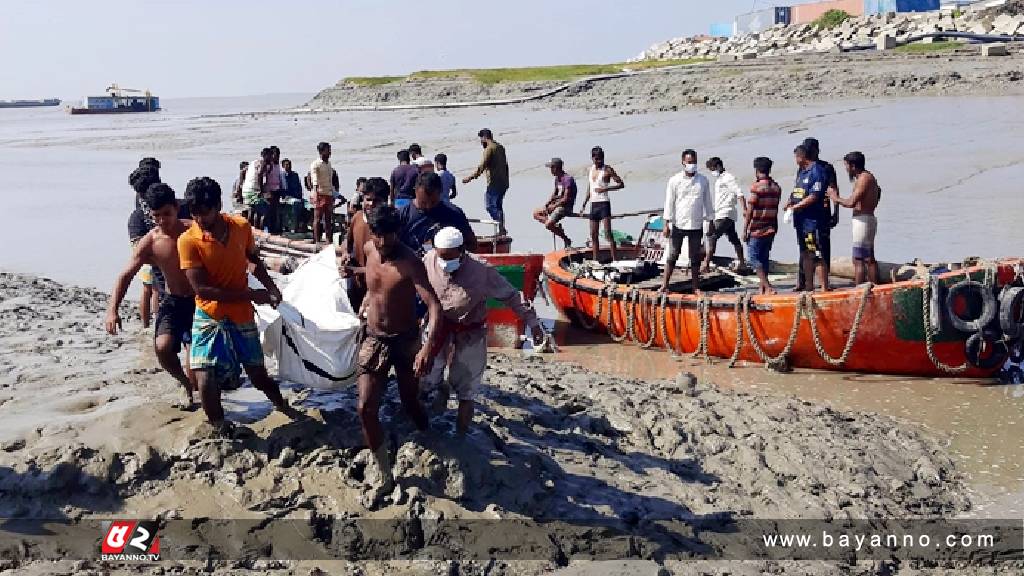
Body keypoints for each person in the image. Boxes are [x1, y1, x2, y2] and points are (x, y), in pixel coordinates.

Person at [176, 176, 289, 430]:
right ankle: (218, 424)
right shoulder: (188, 241)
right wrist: (252, 295)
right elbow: (203, 289)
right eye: (194, 214)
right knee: (204, 377)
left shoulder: (240, 226)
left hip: (241, 314)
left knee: (257, 374)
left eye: (205, 213)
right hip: (209, 314)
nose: (200, 220)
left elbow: (253, 260)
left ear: (218, 206)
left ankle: (281, 404)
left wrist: (271, 288)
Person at [422, 227, 546, 434]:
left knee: (466, 389)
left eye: (449, 257)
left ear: (461, 251)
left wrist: (533, 323)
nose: (444, 262)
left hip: (470, 331)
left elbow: (512, 296)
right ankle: (431, 410)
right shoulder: (428, 261)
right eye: (440, 256)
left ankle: (461, 434)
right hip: (437, 328)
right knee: (425, 378)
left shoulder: (482, 271)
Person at [356, 204, 442, 500]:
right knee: (365, 408)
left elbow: (434, 306)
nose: (383, 243)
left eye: (389, 237)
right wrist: (366, 300)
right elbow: (373, 284)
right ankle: (385, 475)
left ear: (398, 234)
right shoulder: (368, 249)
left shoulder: (410, 262)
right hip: (374, 337)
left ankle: (428, 435)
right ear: (373, 233)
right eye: (379, 236)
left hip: (405, 340)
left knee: (410, 402)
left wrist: (427, 347)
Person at [106, 183, 197, 409]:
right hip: (172, 301)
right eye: (156, 216)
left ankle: (199, 387)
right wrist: (112, 310)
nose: (162, 221)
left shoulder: (193, 231)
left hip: (199, 301)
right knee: (162, 347)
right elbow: (126, 275)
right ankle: (186, 385)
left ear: (176, 208)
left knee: (194, 357)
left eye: (166, 214)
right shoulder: (151, 241)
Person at [660, 149, 712, 294]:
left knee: (694, 256)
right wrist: (666, 223)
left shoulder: (703, 181)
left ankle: (696, 287)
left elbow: (708, 202)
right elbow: (669, 202)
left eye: (694, 162)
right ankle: (665, 285)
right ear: (683, 162)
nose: (692, 165)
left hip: (696, 223)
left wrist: (711, 220)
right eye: (689, 162)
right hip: (679, 223)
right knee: (673, 255)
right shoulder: (675, 180)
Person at [829, 151, 882, 285]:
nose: (846, 169)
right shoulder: (869, 177)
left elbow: (851, 202)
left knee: (858, 259)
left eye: (846, 166)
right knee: (869, 257)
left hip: (863, 220)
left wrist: (834, 197)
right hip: (868, 218)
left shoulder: (864, 178)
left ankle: (860, 290)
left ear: (853, 166)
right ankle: (873, 286)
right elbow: (878, 192)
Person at [399, 172, 478, 255]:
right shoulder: (403, 215)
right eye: (423, 202)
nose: (428, 206)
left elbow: (473, 245)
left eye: (433, 202)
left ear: (440, 192)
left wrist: (450, 250)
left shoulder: (454, 214)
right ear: (415, 191)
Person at [342, 177, 390, 313]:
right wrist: (346, 253)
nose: (371, 204)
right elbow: (347, 241)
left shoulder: (389, 227)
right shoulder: (357, 217)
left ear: (385, 202)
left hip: (378, 288)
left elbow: (388, 267)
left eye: (376, 201)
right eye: (368, 200)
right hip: (357, 282)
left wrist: (357, 270)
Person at [785, 145, 829, 292]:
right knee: (805, 254)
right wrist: (790, 202)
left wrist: (797, 207)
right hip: (800, 222)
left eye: (796, 157)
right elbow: (797, 192)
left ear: (801, 157)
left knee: (815, 253)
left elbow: (814, 196)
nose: (795, 160)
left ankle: (824, 287)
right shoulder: (801, 172)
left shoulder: (816, 171)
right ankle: (808, 286)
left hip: (812, 221)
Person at [800, 138, 839, 291]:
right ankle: (802, 281)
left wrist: (836, 213)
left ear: (817, 150)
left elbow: (833, 189)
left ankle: (824, 283)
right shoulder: (803, 168)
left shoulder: (826, 167)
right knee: (804, 249)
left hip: (821, 214)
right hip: (804, 217)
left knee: (822, 248)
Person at [127, 165, 163, 328]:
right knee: (154, 290)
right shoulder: (160, 198)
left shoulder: (139, 207)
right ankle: (155, 323)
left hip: (148, 253)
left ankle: (147, 325)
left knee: (148, 289)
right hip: (152, 254)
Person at [743, 157, 782, 295]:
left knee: (753, 258)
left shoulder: (756, 187)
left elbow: (750, 211)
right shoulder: (776, 187)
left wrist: (745, 229)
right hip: (770, 227)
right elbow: (775, 209)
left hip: (756, 228)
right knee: (764, 257)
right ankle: (762, 287)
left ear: (757, 170)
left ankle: (767, 286)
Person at [581, 146, 625, 262]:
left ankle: (615, 260)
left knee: (607, 234)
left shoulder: (608, 170)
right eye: (596, 159)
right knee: (593, 234)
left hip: (604, 204)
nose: (599, 161)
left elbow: (621, 184)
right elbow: (589, 187)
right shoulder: (590, 170)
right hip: (593, 204)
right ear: (592, 158)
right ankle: (596, 260)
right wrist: (584, 204)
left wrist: (605, 189)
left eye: (601, 159)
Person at [462, 129, 510, 235]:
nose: (480, 142)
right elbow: (506, 166)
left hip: (494, 183)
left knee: (490, 206)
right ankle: (501, 228)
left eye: (481, 139)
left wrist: (470, 178)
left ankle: (500, 227)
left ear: (484, 137)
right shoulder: (500, 147)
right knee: (498, 206)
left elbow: (481, 167)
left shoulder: (489, 149)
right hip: (504, 182)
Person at [702, 157, 746, 272]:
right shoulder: (720, 179)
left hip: (725, 213)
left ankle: (706, 264)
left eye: (712, 169)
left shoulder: (728, 178)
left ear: (718, 166)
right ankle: (741, 263)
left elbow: (739, 193)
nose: (712, 172)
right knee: (734, 238)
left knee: (712, 236)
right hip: (723, 214)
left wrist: (744, 210)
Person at [531, 158, 575, 249]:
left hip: (565, 206)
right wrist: (547, 205)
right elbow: (554, 193)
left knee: (548, 225)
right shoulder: (557, 179)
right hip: (556, 205)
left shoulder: (567, 179)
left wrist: (554, 206)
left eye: (551, 168)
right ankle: (555, 226)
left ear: (556, 168)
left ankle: (566, 239)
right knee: (536, 213)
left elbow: (566, 198)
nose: (550, 170)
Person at [309, 142, 335, 245]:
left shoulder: (329, 164)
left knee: (328, 218)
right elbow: (314, 180)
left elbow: (330, 180)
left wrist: (332, 193)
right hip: (319, 193)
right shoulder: (316, 164)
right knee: (318, 218)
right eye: (328, 150)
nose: (330, 152)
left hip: (328, 193)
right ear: (322, 151)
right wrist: (315, 193)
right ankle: (317, 240)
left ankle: (328, 240)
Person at [241, 148, 272, 230]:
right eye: (270, 156)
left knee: (253, 210)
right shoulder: (263, 163)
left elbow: (243, 172)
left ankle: (251, 229)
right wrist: (261, 191)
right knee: (264, 210)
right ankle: (258, 230)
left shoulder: (254, 162)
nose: (271, 158)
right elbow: (260, 175)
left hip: (246, 190)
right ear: (265, 156)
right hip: (253, 191)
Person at [281, 158, 306, 233]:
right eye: (286, 165)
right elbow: (282, 189)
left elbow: (299, 187)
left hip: (296, 197)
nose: (288, 166)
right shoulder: (282, 176)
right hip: (287, 197)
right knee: (296, 204)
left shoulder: (295, 175)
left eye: (289, 164)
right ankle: (294, 226)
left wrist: (300, 196)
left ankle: (302, 225)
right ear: (283, 166)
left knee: (307, 206)